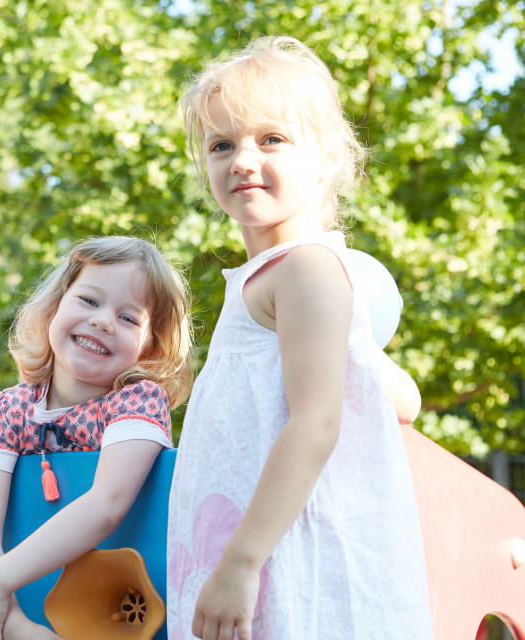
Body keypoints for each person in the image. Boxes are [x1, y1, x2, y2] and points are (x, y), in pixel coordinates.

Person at [166, 36, 434, 639]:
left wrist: (241, 562)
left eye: (272, 139)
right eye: (221, 144)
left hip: (279, 561)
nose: (242, 159)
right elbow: (404, 399)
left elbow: (316, 422)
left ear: (326, 159)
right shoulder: (270, 278)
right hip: (253, 553)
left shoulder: (306, 269)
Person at [0, 236, 193, 640]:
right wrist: (14, 626)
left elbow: (107, 504)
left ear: (150, 346)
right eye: (89, 300)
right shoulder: (6, 410)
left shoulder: (138, 401)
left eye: (128, 318)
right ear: (56, 305)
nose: (103, 321)